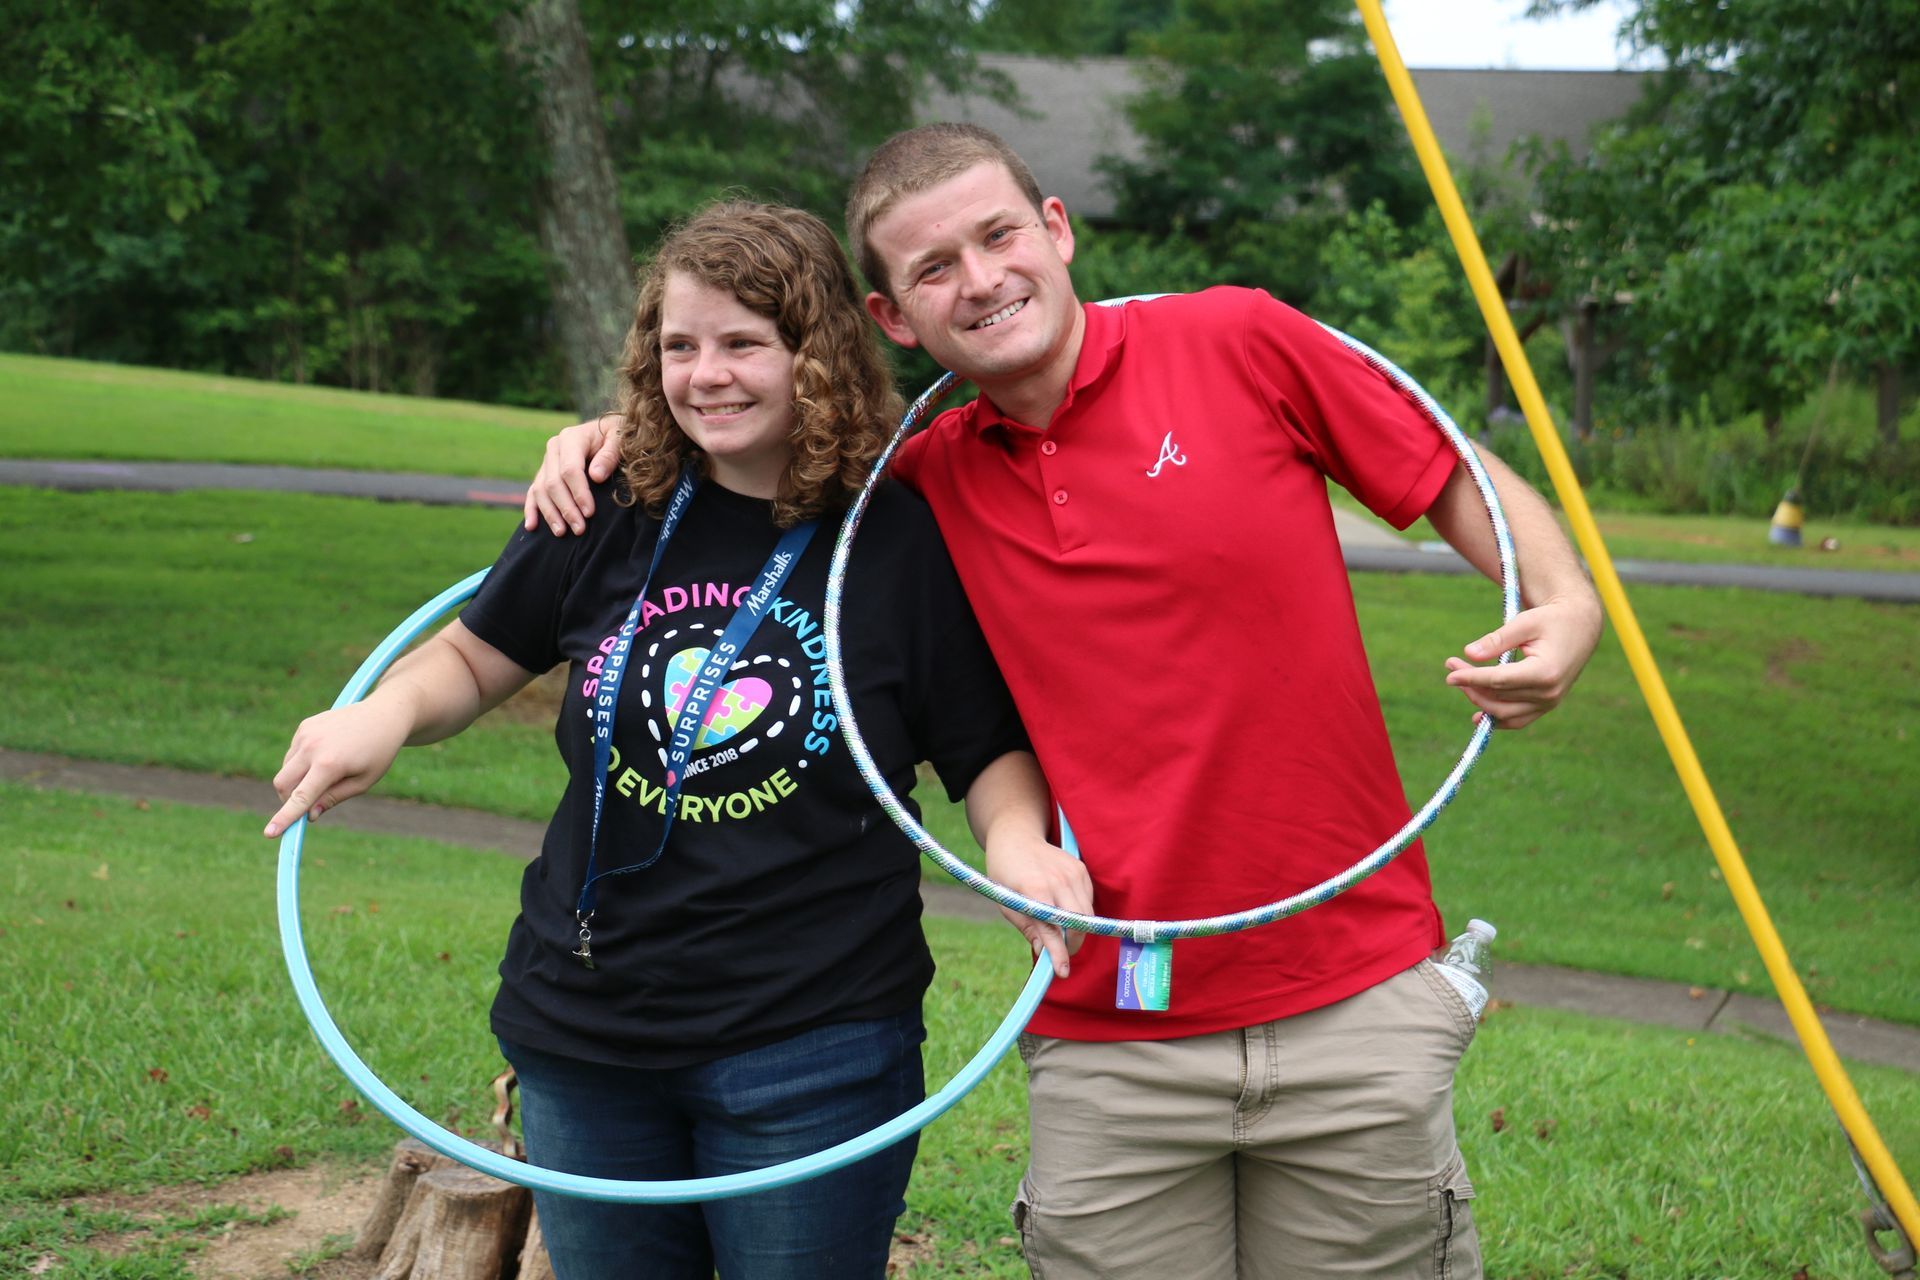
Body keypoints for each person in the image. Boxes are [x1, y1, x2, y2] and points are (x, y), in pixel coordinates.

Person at [523, 126, 1605, 1279]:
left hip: (1351, 992)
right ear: (894, 317)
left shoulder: (1239, 337)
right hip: (1105, 1027)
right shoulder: (916, 482)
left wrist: (1567, 597)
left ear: (1056, 229)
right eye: (933, 268)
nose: (980, 279)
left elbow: (1448, 468)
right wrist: (614, 438)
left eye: (998, 235)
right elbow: (748, 450)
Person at [266, 200, 1065, 1280]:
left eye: (744, 343)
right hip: (584, 1035)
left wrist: (1014, 843)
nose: (708, 375)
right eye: (679, 346)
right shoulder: (609, 500)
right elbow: (467, 658)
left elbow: (983, 751)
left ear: (817, 352)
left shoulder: (895, 535)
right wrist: (384, 713)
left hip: (813, 1044)